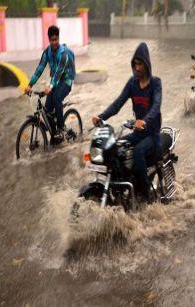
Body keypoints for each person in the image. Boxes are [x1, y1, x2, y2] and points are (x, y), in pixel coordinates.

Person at [92, 42, 162, 202]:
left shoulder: (156, 83)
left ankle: (146, 195)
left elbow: (156, 106)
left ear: (147, 64)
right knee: (114, 147)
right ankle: (122, 188)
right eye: (135, 64)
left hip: (152, 135)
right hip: (138, 134)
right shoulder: (132, 83)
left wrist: (144, 121)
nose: (137, 68)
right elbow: (118, 104)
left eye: (140, 64)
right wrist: (101, 116)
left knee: (138, 152)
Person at [25, 25, 75, 141]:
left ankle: (61, 128)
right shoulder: (47, 52)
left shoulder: (63, 54)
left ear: (58, 38)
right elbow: (40, 69)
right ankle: (54, 137)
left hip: (66, 81)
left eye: (56, 39)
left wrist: (50, 86)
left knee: (57, 97)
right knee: (47, 111)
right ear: (48, 40)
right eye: (52, 40)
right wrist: (29, 85)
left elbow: (58, 72)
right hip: (55, 81)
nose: (54, 42)